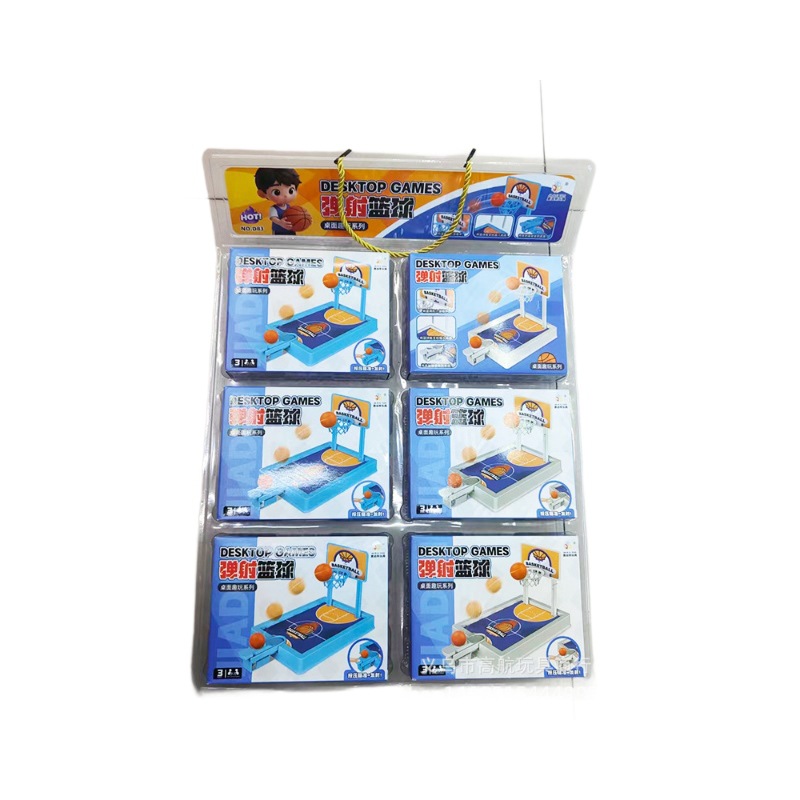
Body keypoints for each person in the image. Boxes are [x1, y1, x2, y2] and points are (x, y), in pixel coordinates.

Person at [254, 167, 302, 235]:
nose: (286, 195)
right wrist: (280, 223)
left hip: (290, 230)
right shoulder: (274, 208)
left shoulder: (288, 206)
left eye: (291, 190)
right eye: (277, 192)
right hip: (278, 231)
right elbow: (273, 218)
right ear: (262, 194)